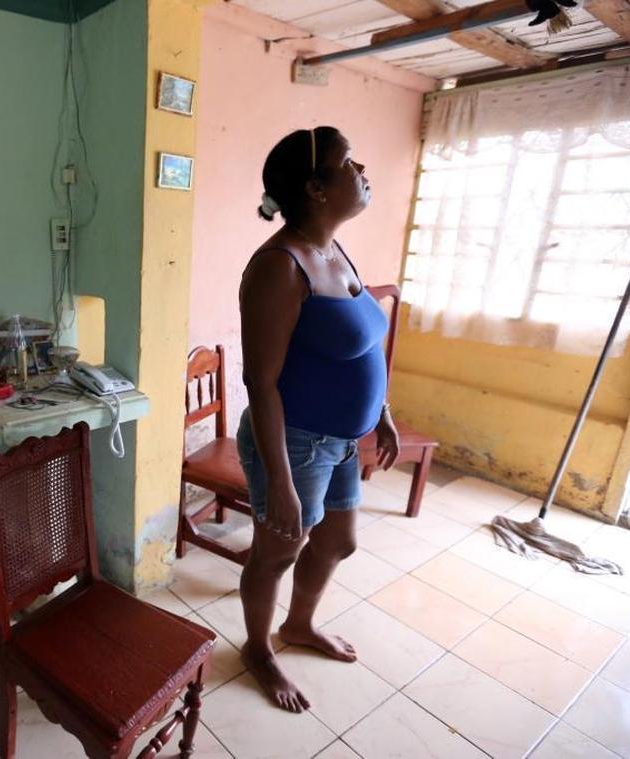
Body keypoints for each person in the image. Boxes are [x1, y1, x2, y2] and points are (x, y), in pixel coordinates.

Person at [237, 126, 400, 713]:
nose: (363, 172)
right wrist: (278, 482)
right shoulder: (280, 267)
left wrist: (380, 411)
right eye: (348, 164)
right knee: (277, 552)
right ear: (316, 187)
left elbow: (360, 344)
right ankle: (258, 647)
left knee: (337, 542)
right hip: (295, 443)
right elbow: (261, 383)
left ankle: (299, 626)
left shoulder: (335, 249)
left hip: (341, 439)